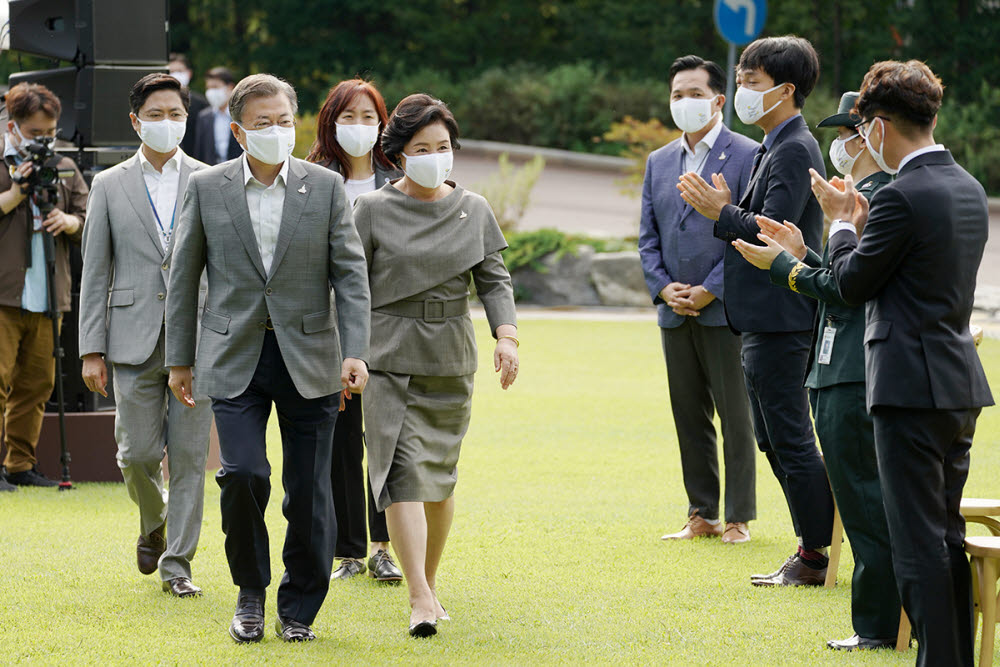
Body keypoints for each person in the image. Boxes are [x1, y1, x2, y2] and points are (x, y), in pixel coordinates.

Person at [165, 74, 371, 643]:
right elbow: (184, 278)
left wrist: (356, 351)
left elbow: (350, 277)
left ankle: (299, 606)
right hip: (232, 356)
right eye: (263, 124)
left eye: (284, 121)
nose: (277, 131)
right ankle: (250, 590)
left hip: (312, 356)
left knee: (309, 491)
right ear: (237, 131)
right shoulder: (207, 188)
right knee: (244, 476)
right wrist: (180, 359)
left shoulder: (326, 187)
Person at [813, 60, 993, 667]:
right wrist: (865, 228)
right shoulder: (967, 186)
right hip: (957, 381)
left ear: (881, 125)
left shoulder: (902, 194)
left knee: (917, 545)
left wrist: (842, 226)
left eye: (863, 129)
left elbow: (853, 282)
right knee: (943, 535)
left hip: (907, 388)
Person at [731, 92, 902, 650]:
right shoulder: (858, 196)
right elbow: (841, 275)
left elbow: (847, 289)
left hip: (854, 358)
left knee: (863, 492)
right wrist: (805, 252)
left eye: (851, 132)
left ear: (875, 132)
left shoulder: (876, 198)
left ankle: (874, 619)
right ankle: (867, 605)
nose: (843, 144)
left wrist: (789, 265)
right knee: (842, 478)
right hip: (838, 353)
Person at [353, 94, 518, 637]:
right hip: (387, 357)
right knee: (400, 475)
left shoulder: (474, 208)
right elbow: (350, 287)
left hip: (450, 357)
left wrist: (507, 337)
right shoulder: (372, 209)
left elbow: (494, 278)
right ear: (398, 155)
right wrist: (346, 354)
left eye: (443, 147)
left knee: (439, 483)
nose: (434, 157)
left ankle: (427, 580)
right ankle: (419, 598)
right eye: (421, 148)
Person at [677, 35, 834, 586]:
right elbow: (759, 216)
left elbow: (772, 234)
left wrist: (722, 211)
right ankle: (814, 542)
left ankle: (818, 552)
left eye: (751, 82)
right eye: (740, 79)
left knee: (789, 437)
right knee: (772, 436)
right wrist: (728, 207)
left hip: (783, 315)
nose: (741, 90)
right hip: (762, 316)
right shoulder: (774, 141)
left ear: (786, 90)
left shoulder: (794, 146)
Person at [78, 73, 212, 597]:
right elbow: (95, 270)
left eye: (175, 114)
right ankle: (153, 521)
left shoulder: (209, 178)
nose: (167, 123)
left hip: (197, 340)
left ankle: (178, 565)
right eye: (156, 115)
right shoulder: (108, 185)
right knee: (134, 455)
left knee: (188, 459)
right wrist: (92, 348)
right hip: (130, 338)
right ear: (136, 121)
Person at [639, 55, 758, 544]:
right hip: (674, 309)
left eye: (694, 93)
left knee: (735, 414)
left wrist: (711, 288)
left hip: (725, 307)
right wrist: (664, 287)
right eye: (676, 95)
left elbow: (750, 232)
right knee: (688, 414)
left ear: (718, 99)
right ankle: (702, 512)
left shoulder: (749, 153)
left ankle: (737, 517)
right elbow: (648, 235)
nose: (684, 102)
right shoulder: (659, 160)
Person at [306, 78, 403, 583]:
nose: (360, 127)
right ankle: (348, 549)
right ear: (330, 123)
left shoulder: (400, 179)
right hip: (328, 333)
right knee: (341, 442)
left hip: (389, 332)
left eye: (369, 117)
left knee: (385, 440)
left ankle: (384, 545)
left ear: (383, 124)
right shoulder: (311, 180)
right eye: (348, 117)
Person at [0, 82, 88, 490]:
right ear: (13, 126)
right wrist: (15, 193)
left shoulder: (64, 166)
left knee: (37, 384)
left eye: (50, 133)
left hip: (50, 292)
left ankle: (20, 464)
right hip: (4, 291)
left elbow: (89, 219)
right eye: (35, 134)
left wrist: (70, 223)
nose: (43, 141)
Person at [193, 67, 241, 166]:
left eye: (215, 87)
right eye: (209, 88)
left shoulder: (241, 115)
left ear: (230, 87)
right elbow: (200, 151)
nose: (211, 92)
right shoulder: (204, 117)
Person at [167, 53, 208, 157]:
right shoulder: (158, 103)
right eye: (172, 72)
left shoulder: (202, 104)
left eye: (180, 71)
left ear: (189, 73)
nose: (176, 75)